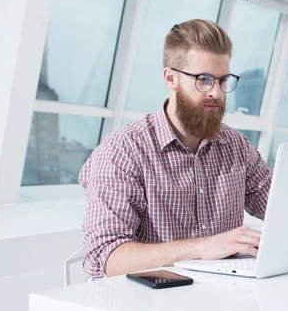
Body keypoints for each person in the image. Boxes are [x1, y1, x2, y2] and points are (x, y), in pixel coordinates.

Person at [79, 19, 272, 279]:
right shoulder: (123, 151)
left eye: (223, 80)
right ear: (171, 78)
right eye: (203, 80)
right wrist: (202, 247)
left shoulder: (236, 147)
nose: (216, 92)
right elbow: (104, 258)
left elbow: (282, 210)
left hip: (222, 297)